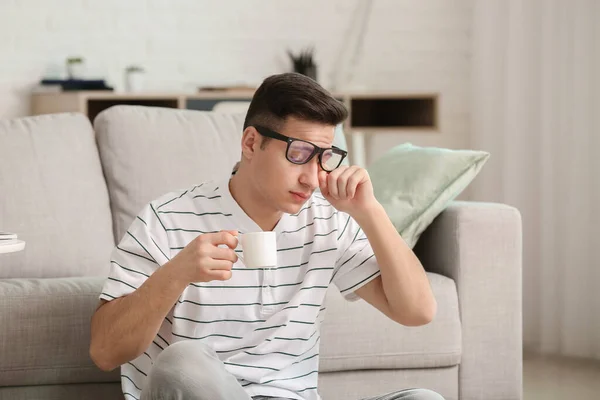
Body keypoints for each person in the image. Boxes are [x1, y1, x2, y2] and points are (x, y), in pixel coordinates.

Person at [90, 72, 442, 400]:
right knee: (183, 364)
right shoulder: (165, 220)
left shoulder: (328, 221)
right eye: (299, 154)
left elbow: (418, 312)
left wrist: (370, 212)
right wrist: (177, 272)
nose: (312, 177)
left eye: (325, 158)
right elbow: (105, 352)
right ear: (250, 142)